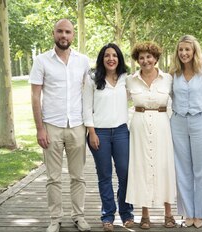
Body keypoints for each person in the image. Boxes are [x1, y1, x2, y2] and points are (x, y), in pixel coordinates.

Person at [29, 19, 91, 232]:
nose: (64, 35)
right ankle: (55, 219)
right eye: (60, 31)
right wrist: (40, 128)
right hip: (51, 126)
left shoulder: (83, 61)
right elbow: (35, 96)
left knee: (78, 176)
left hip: (76, 125)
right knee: (53, 177)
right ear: (53, 33)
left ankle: (79, 215)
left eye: (68, 32)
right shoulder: (41, 61)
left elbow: (87, 92)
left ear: (73, 35)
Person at [82, 43, 134, 232]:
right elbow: (87, 107)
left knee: (125, 173)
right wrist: (92, 132)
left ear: (119, 58)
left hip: (121, 132)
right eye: (107, 55)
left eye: (114, 55)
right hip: (100, 134)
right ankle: (108, 216)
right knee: (104, 176)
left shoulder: (125, 78)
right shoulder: (93, 79)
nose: (111, 58)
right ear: (102, 59)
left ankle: (127, 213)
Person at [125, 41, 176, 230]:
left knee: (164, 166)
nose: (145, 61)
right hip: (139, 125)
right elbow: (116, 100)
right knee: (142, 166)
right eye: (141, 58)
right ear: (137, 60)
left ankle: (168, 213)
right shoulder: (130, 80)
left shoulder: (168, 79)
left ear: (156, 58)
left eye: (149, 57)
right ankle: (144, 214)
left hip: (163, 124)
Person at [169, 35, 202, 228]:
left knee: (200, 169)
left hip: (200, 122)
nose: (184, 53)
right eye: (181, 50)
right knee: (182, 169)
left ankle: (201, 212)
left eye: (187, 50)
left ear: (194, 51)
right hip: (178, 122)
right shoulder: (173, 72)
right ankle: (188, 212)